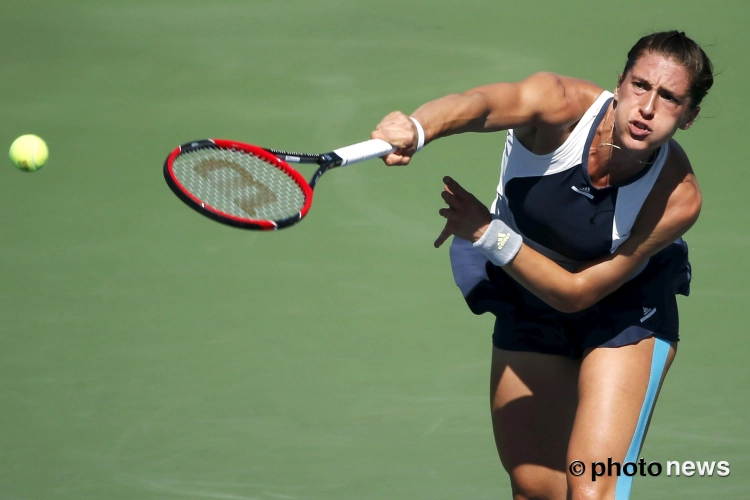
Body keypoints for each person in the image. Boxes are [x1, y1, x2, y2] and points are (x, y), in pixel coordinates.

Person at [371, 31, 714, 500]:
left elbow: (576, 294)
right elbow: (480, 105)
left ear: (689, 116)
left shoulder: (677, 197)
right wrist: (418, 127)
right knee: (536, 490)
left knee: (592, 489)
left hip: (624, 310)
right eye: (640, 85)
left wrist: (487, 233)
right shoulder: (560, 107)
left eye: (669, 98)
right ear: (620, 83)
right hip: (527, 293)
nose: (647, 108)